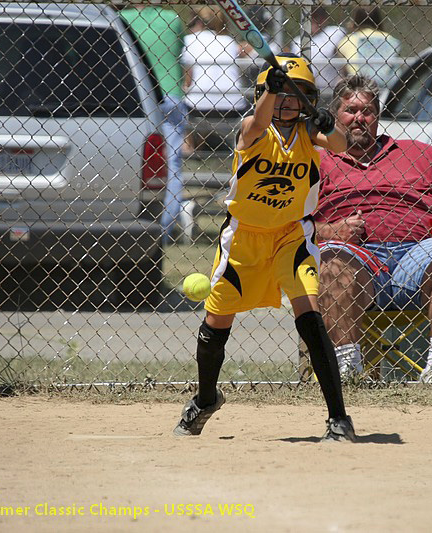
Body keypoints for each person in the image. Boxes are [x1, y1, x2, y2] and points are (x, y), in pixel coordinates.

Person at [173, 54, 356, 441]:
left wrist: (332, 123)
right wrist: (270, 92)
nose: (288, 100)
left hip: (292, 235)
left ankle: (339, 417)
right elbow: (256, 123)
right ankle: (206, 399)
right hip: (244, 239)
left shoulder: (308, 133)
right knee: (217, 320)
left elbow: (341, 144)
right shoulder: (251, 128)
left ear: (309, 98)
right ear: (264, 94)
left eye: (297, 94)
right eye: (279, 93)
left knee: (309, 312)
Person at [313, 75, 432, 383]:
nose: (359, 118)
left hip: (420, 255)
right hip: (355, 258)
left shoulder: (420, 153)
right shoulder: (317, 161)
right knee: (332, 264)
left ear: (377, 115)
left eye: (367, 111)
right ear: (334, 116)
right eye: (350, 110)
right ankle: (349, 371)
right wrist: (330, 231)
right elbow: (289, 220)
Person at [120, 5, 188, 245]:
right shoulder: (172, 18)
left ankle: (137, 225)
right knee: (172, 164)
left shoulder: (122, 18)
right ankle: (163, 233)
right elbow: (178, 50)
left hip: (138, 94)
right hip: (171, 93)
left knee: (136, 160)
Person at [181, 7, 248, 121]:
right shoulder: (229, 41)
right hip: (232, 103)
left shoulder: (189, 40)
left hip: (198, 104)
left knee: (183, 104)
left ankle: (192, 139)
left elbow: (188, 79)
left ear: (198, 22)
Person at [336, 7, 402, 92]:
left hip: (358, 88)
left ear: (355, 20)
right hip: (389, 89)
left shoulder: (347, 41)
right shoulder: (391, 40)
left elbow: (344, 71)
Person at [289, 7, 347, 96]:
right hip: (308, 89)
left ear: (325, 18)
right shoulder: (298, 41)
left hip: (331, 89)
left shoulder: (334, 32)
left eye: (318, 17)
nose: (314, 21)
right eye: (311, 17)